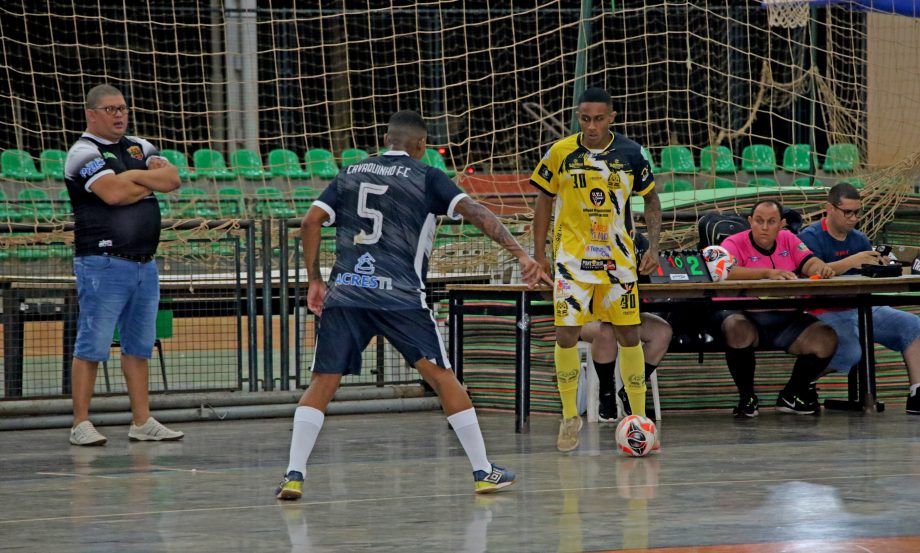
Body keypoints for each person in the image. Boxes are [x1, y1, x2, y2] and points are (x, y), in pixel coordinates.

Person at [274, 110, 550, 500]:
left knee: (322, 382)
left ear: (387, 139)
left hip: (348, 292)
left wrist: (315, 279)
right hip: (400, 296)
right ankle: (483, 471)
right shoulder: (427, 176)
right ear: (421, 145)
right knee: (442, 378)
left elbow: (310, 222)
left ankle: (294, 474)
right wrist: (521, 254)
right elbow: (477, 212)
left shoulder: (351, 172)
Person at [531, 87, 661, 451]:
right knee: (565, 335)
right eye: (585, 119)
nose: (591, 126)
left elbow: (651, 200)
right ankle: (569, 416)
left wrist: (654, 244)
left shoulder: (632, 153)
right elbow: (543, 200)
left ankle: (639, 418)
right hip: (573, 262)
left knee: (630, 335)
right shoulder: (560, 152)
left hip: (619, 263)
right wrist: (539, 253)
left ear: (612, 117)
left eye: (598, 119)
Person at [65, 84, 184, 445]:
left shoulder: (138, 146)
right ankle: (80, 423)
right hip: (102, 262)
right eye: (111, 109)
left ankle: (141, 421)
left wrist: (130, 178)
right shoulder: (82, 152)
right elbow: (112, 194)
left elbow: (173, 179)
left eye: (123, 108)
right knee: (92, 344)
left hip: (144, 264)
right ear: (92, 114)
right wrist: (145, 182)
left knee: (139, 345)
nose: (119, 115)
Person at [798, 183, 920, 414]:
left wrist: (884, 268)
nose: (853, 218)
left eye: (857, 212)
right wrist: (852, 261)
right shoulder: (809, 237)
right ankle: (800, 384)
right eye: (848, 212)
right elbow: (811, 275)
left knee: (913, 325)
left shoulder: (860, 239)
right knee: (851, 351)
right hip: (823, 310)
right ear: (829, 209)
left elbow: (868, 276)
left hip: (861, 305)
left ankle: (917, 391)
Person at [718, 199, 837, 417]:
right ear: (750, 221)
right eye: (759, 221)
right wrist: (766, 273)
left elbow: (808, 262)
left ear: (781, 223)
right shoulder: (733, 242)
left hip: (787, 319)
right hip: (747, 316)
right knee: (736, 328)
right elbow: (725, 270)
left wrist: (820, 267)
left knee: (826, 338)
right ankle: (747, 398)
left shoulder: (789, 239)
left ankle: (791, 394)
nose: (764, 227)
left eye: (771, 222)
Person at [578, 314, 672, 420]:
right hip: (590, 317)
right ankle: (606, 394)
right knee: (606, 331)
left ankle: (629, 391)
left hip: (627, 316)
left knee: (663, 332)